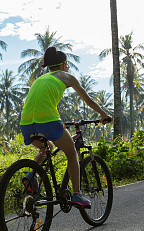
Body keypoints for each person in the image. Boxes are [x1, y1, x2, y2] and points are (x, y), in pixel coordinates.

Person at [20, 46, 112, 209]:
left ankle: (31, 174)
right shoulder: (67, 77)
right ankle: (77, 194)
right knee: (71, 153)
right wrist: (103, 115)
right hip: (47, 120)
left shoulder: (40, 80)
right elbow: (89, 101)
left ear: (49, 67)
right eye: (67, 64)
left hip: (26, 123)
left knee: (46, 147)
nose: (68, 67)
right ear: (63, 65)